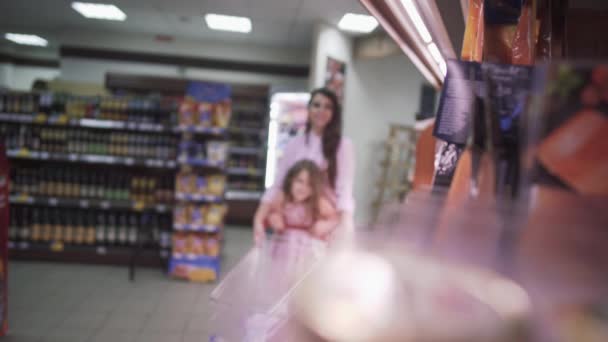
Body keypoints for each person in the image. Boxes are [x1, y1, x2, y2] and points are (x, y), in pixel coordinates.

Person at [254, 87, 355, 244]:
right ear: (308, 109)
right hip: (292, 225)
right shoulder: (294, 144)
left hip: (324, 225)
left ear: (334, 113)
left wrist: (344, 224)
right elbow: (279, 184)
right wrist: (259, 218)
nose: (321, 110)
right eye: (316, 105)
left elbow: (344, 188)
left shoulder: (343, 146)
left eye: (328, 107)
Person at [262, 159, 339, 240]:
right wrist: (274, 217)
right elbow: (271, 212)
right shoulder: (283, 197)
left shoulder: (318, 202)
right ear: (290, 180)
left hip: (309, 247)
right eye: (299, 181)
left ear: (315, 187)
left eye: (309, 184)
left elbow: (337, 218)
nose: (303, 188)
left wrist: (326, 225)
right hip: (285, 245)